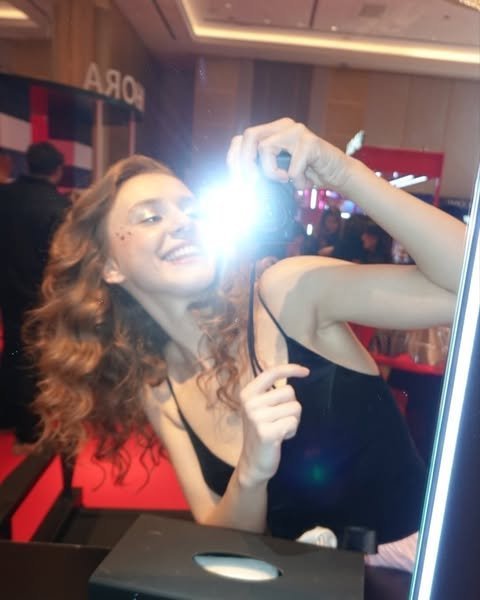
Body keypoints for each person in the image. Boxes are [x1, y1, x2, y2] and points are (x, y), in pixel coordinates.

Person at [24, 119, 465, 552]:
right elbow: (220, 535)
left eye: (192, 210)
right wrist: (251, 472)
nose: (182, 223)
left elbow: (469, 283)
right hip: (304, 584)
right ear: (109, 266)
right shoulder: (160, 386)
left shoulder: (286, 293)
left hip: (415, 570)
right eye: (151, 216)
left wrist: (341, 172)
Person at [0, 141, 69, 441]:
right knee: (34, 356)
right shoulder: (58, 207)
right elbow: (62, 258)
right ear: (58, 170)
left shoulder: (4, 196)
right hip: (40, 294)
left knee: (14, 347)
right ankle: (28, 427)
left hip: (7, 289)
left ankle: (5, 413)